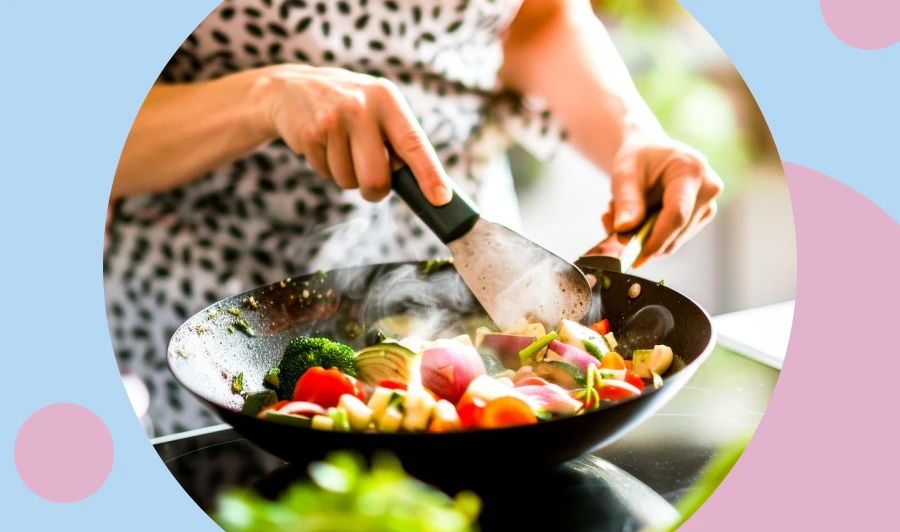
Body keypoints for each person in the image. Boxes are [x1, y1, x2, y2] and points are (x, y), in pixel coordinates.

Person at [104, 0, 723, 437]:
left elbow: (533, 17)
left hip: (473, 261)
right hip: (219, 304)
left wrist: (633, 135)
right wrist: (263, 95)